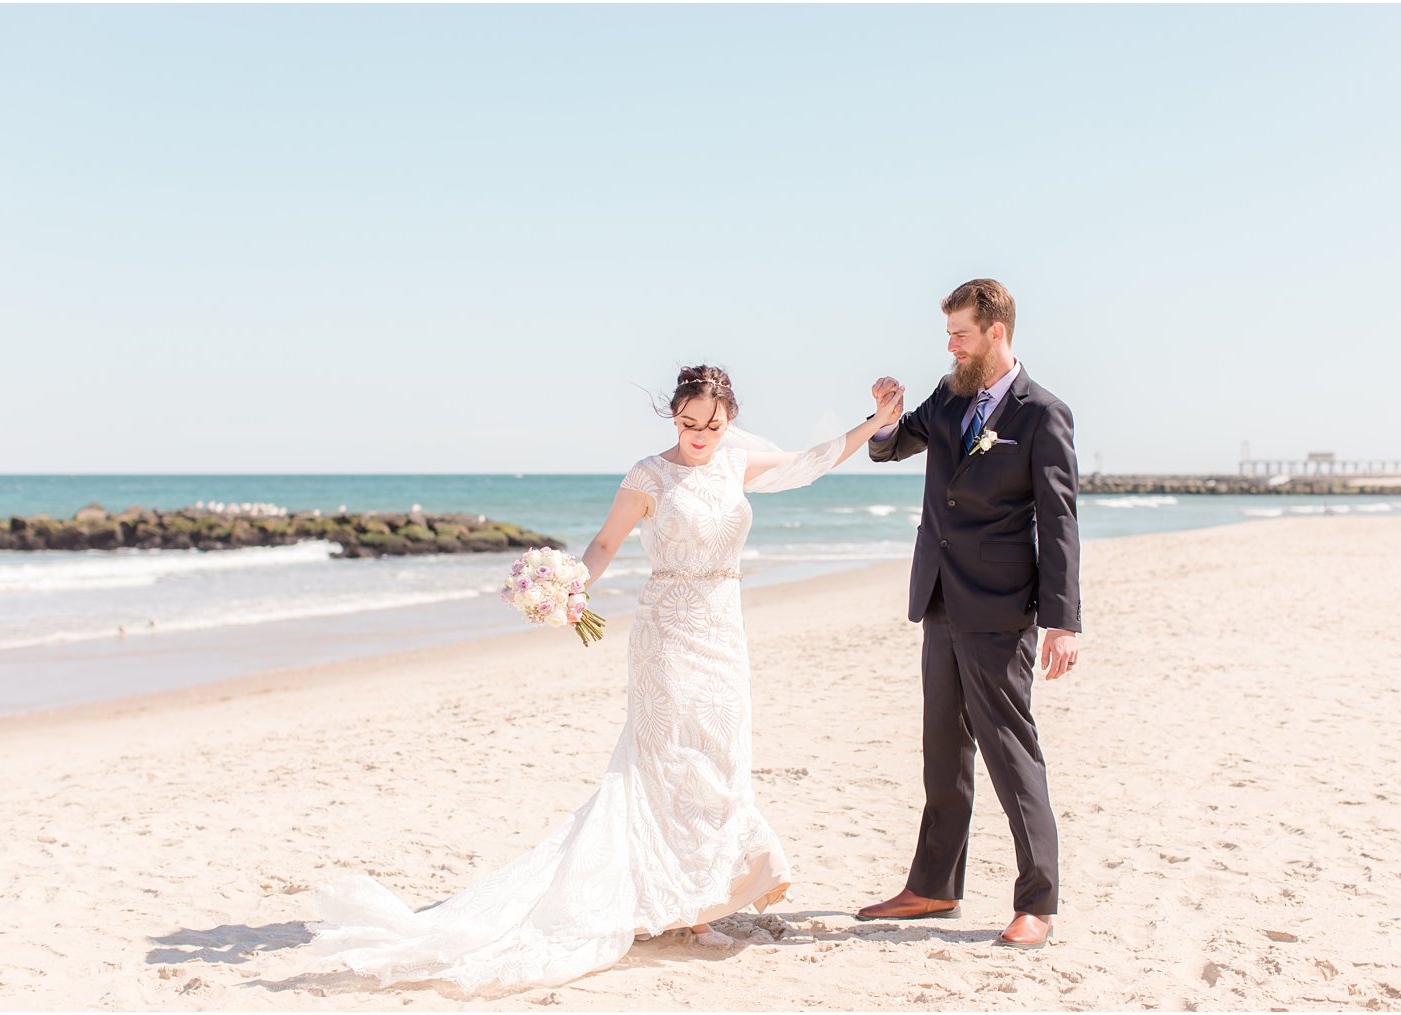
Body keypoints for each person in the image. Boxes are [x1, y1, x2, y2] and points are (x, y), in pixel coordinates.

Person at [308, 365, 903, 993]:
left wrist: (875, 424)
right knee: (665, 763)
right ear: (673, 417)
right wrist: (569, 587)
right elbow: (604, 542)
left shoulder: (734, 463)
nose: (700, 435)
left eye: (712, 424)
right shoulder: (648, 474)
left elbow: (810, 460)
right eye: (688, 423)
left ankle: (698, 904)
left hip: (723, 629)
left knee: (721, 758)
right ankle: (676, 907)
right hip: (666, 632)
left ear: (729, 420)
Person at [859, 278, 1081, 949]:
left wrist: (1063, 621)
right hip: (940, 599)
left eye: (960, 332)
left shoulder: (1043, 413)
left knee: (1011, 754)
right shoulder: (951, 391)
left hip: (1001, 607)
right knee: (944, 752)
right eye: (949, 333)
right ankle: (934, 885)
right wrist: (887, 415)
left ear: (997, 332)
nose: (950, 344)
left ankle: (1037, 901)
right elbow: (890, 446)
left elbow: (1060, 519)